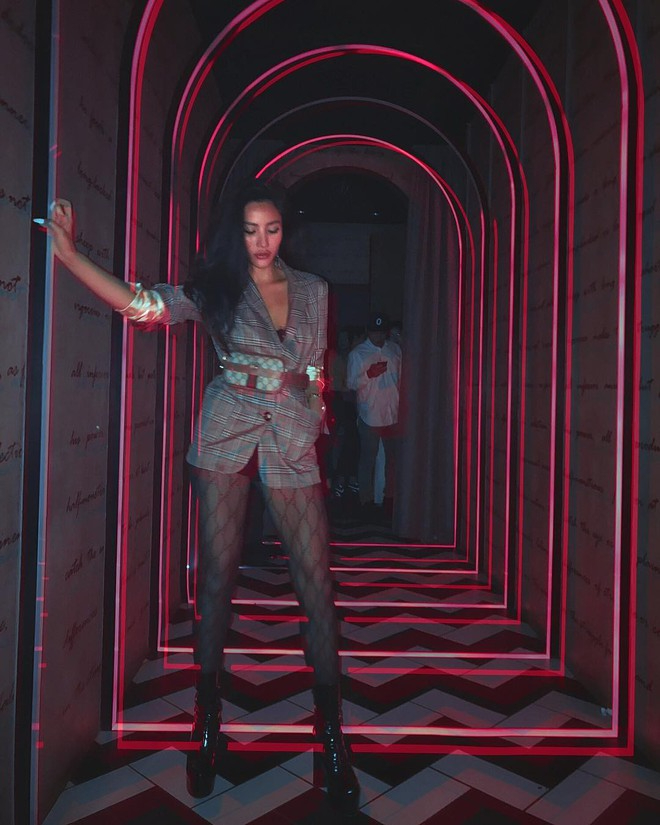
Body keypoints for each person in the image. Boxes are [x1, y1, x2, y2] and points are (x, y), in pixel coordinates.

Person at [35, 181, 360, 814]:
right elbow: (143, 305)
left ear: (284, 230)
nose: (262, 242)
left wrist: (316, 408)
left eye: (272, 229)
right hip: (227, 431)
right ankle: (207, 725)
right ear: (235, 232)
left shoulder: (314, 289)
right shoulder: (216, 288)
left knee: (316, 586)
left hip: (291, 439)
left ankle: (331, 737)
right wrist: (71, 257)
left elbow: (315, 366)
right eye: (251, 229)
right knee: (215, 581)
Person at [346, 312, 401, 519]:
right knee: (368, 458)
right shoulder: (358, 354)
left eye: (381, 332)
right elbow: (351, 383)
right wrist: (369, 374)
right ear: (368, 331)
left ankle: (390, 498)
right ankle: (366, 500)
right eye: (375, 332)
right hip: (370, 413)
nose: (378, 336)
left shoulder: (394, 350)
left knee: (393, 459)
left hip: (393, 412)